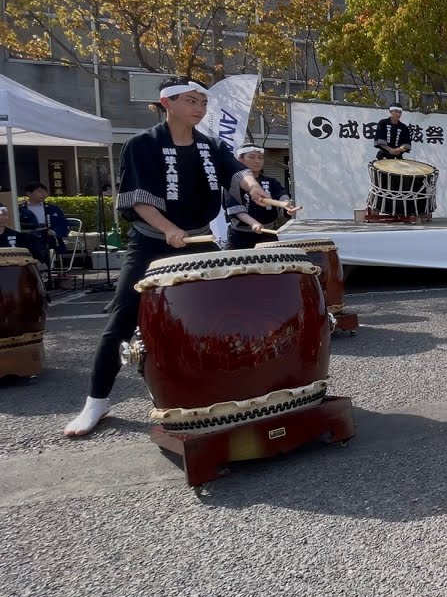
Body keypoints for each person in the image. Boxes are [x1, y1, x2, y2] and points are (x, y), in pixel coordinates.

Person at [63, 77, 272, 437]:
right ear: (167, 103)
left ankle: (230, 389)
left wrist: (258, 192)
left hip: (197, 240)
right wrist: (167, 229)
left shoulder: (210, 145)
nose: (199, 108)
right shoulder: (142, 144)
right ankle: (96, 401)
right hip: (150, 243)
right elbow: (139, 199)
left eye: (202, 102)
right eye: (191, 100)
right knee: (121, 320)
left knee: (222, 311)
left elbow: (238, 173)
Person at [224, 144, 300, 249]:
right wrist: (254, 223)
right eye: (252, 157)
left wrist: (287, 205)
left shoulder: (271, 181)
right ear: (240, 160)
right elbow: (236, 210)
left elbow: (281, 196)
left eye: (260, 158)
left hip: (268, 236)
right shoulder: (232, 183)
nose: (257, 161)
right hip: (240, 238)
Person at [18, 181, 70, 265]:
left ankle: (44, 267)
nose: (43, 194)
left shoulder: (52, 208)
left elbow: (63, 223)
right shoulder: (20, 210)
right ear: (29, 193)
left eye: (44, 191)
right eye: (39, 191)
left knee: (41, 245)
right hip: (28, 237)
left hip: (48, 238)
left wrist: (54, 231)